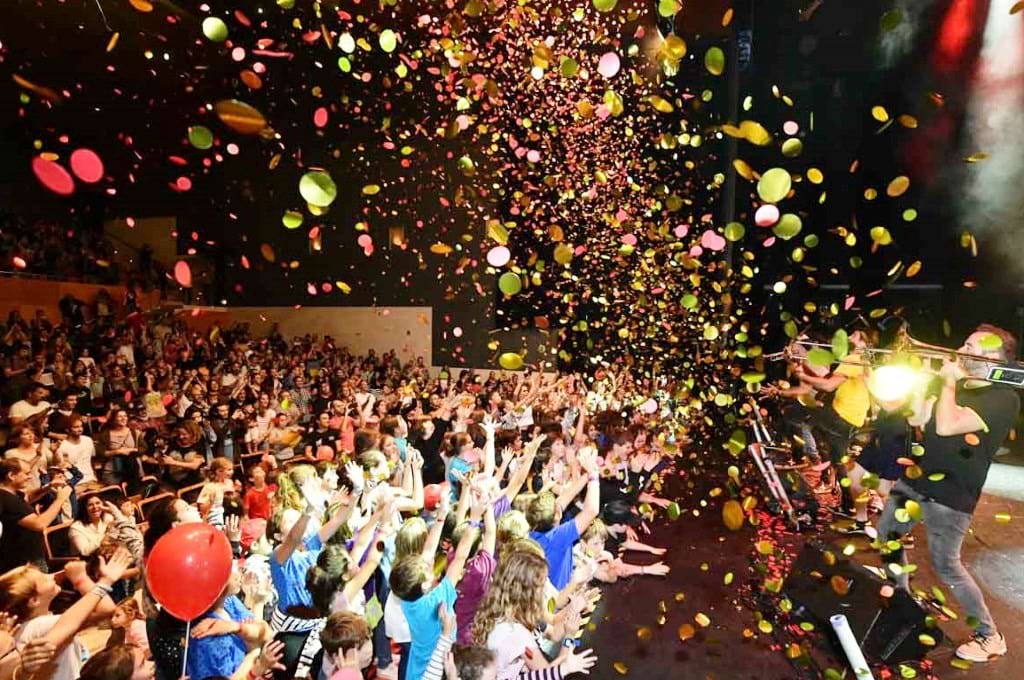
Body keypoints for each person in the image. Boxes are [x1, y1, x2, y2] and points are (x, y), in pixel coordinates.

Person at [877, 325, 1020, 663]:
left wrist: (949, 382)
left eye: (980, 348)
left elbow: (947, 425)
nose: (967, 349)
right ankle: (902, 600)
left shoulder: (1003, 397)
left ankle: (990, 636)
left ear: (999, 360)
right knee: (888, 537)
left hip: (952, 494)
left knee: (947, 566)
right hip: (918, 480)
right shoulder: (959, 387)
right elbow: (921, 418)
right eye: (966, 342)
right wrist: (921, 388)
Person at [0, 458, 72, 572]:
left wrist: (48, 486)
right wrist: (60, 499)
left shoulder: (12, 494)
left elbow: (27, 497)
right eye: (27, 473)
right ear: (11, 475)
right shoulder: (7, 499)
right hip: (24, 563)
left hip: (29, 558)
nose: (30, 477)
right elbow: (39, 524)